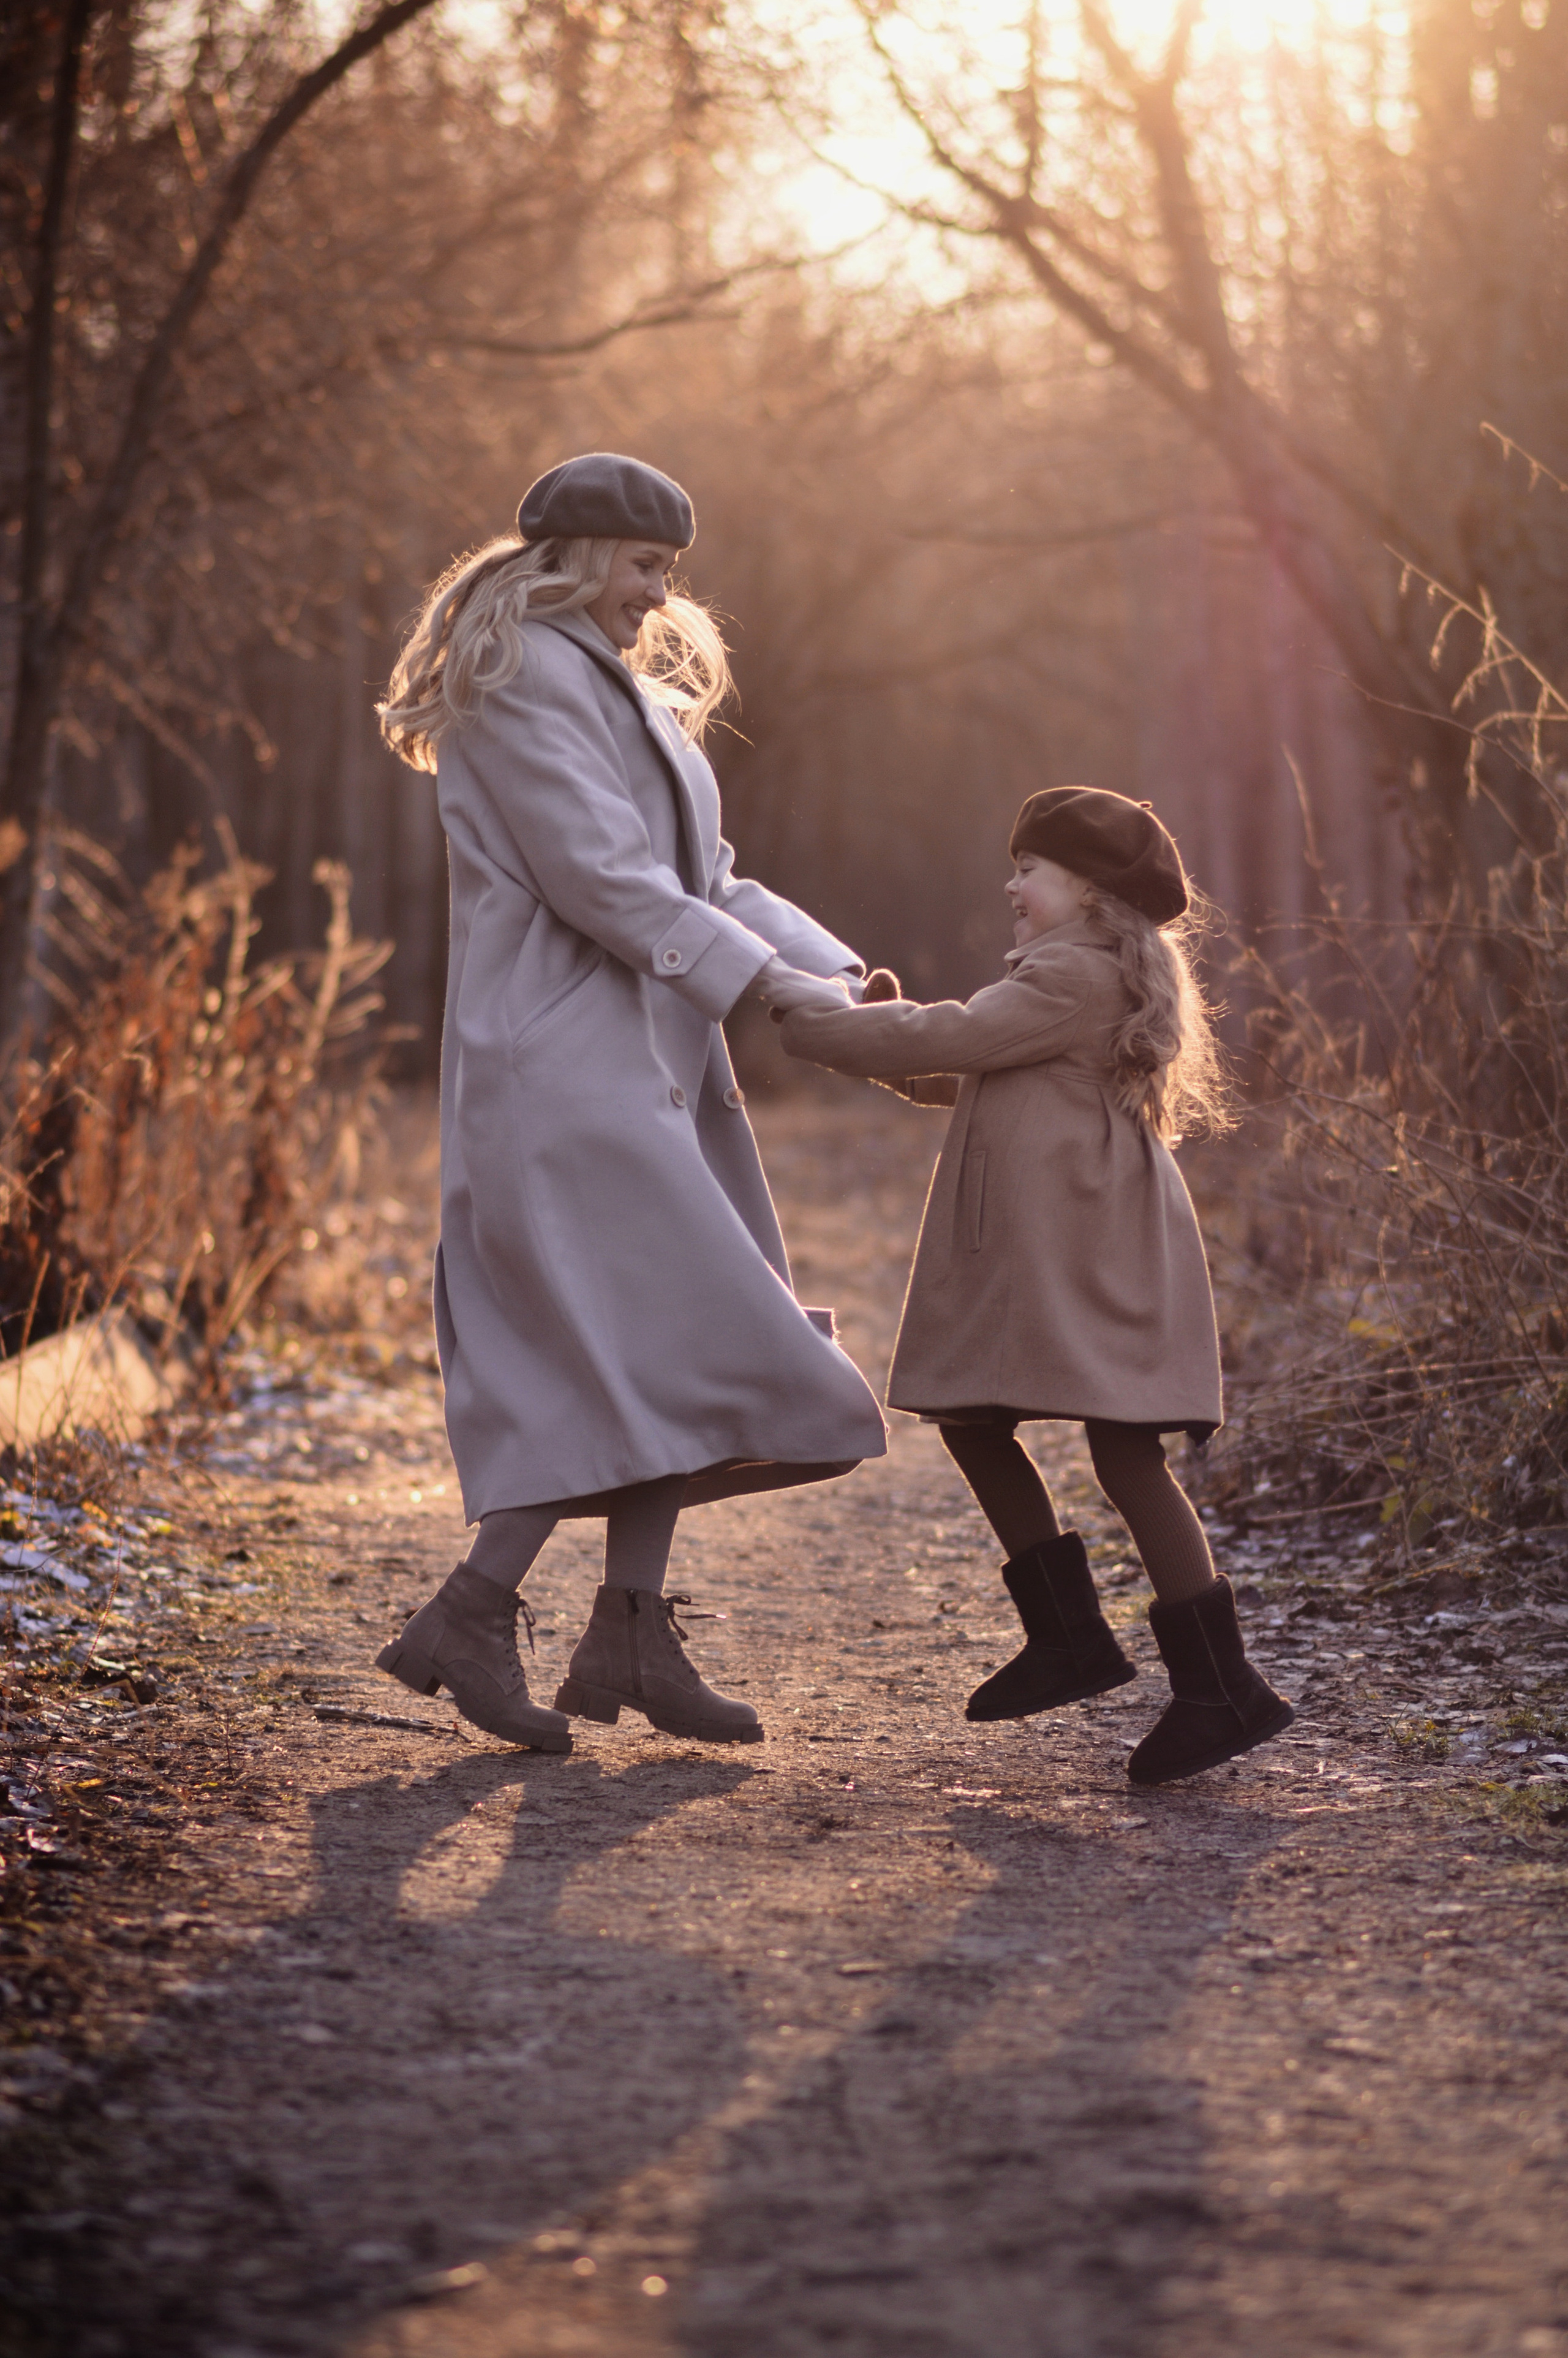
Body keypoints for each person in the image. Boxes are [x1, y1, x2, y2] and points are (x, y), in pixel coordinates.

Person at [373, 452, 886, 1753]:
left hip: (643, 1058)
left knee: (659, 1339)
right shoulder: (516, 683)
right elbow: (600, 879)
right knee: (630, 1339)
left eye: (667, 575)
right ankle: (475, 1610)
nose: (657, 600)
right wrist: (763, 990)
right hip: (563, 1066)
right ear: (579, 555)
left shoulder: (632, 696)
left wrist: (826, 973)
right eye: (643, 570)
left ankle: (626, 1627)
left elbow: (702, 875)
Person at [771, 785, 1293, 1786]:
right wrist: (877, 1033)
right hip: (1090, 1248)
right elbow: (957, 1064)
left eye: (1029, 871)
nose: (1010, 888)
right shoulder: (1066, 976)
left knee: (1121, 1456)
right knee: (1015, 1427)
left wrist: (818, 1022)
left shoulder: (1074, 978)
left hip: (1093, 1252)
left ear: (1090, 892)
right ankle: (1096, 1648)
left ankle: (1190, 1678)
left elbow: (954, 1037)